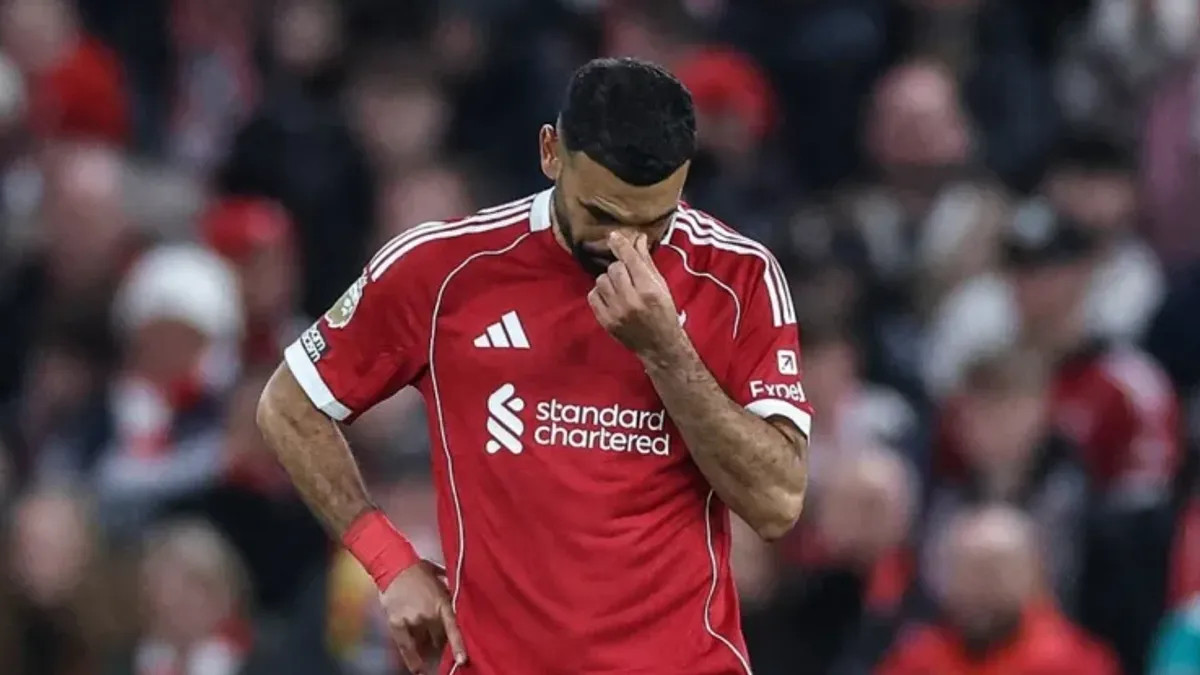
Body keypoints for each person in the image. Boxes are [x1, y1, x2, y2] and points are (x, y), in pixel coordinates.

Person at [257, 57, 812, 674]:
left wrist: (665, 351)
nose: (626, 245)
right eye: (603, 214)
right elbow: (288, 406)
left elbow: (777, 502)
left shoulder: (738, 277)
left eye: (655, 222)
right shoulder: (443, 270)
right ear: (551, 152)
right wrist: (389, 561)